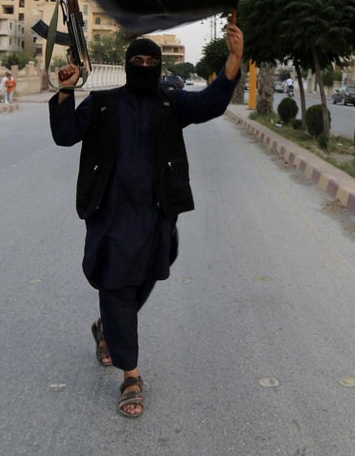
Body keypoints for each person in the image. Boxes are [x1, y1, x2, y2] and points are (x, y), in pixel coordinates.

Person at [49, 22, 243, 418]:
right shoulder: (103, 103)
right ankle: (131, 375)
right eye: (136, 60)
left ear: (158, 67)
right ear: (127, 65)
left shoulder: (171, 103)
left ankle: (108, 327)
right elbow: (65, 134)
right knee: (117, 284)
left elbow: (210, 103)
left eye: (150, 62)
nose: (143, 66)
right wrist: (66, 91)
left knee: (152, 270)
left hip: (157, 214)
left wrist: (234, 60)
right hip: (111, 215)